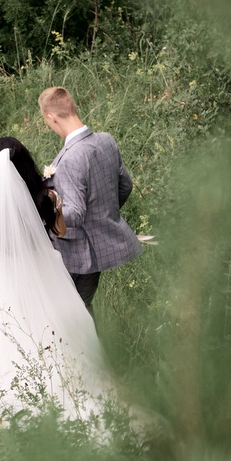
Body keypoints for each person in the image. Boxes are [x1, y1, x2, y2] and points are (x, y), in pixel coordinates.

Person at [0, 137, 124, 424]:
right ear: (26, 165)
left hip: (5, 273)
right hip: (44, 271)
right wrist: (58, 208)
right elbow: (61, 232)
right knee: (57, 329)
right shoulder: (47, 197)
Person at [38, 86, 142, 312]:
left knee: (70, 312)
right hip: (98, 248)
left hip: (75, 253)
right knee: (83, 307)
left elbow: (75, 213)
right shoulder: (106, 141)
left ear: (51, 117)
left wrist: (41, 209)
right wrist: (103, 216)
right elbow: (126, 185)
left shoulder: (71, 158)